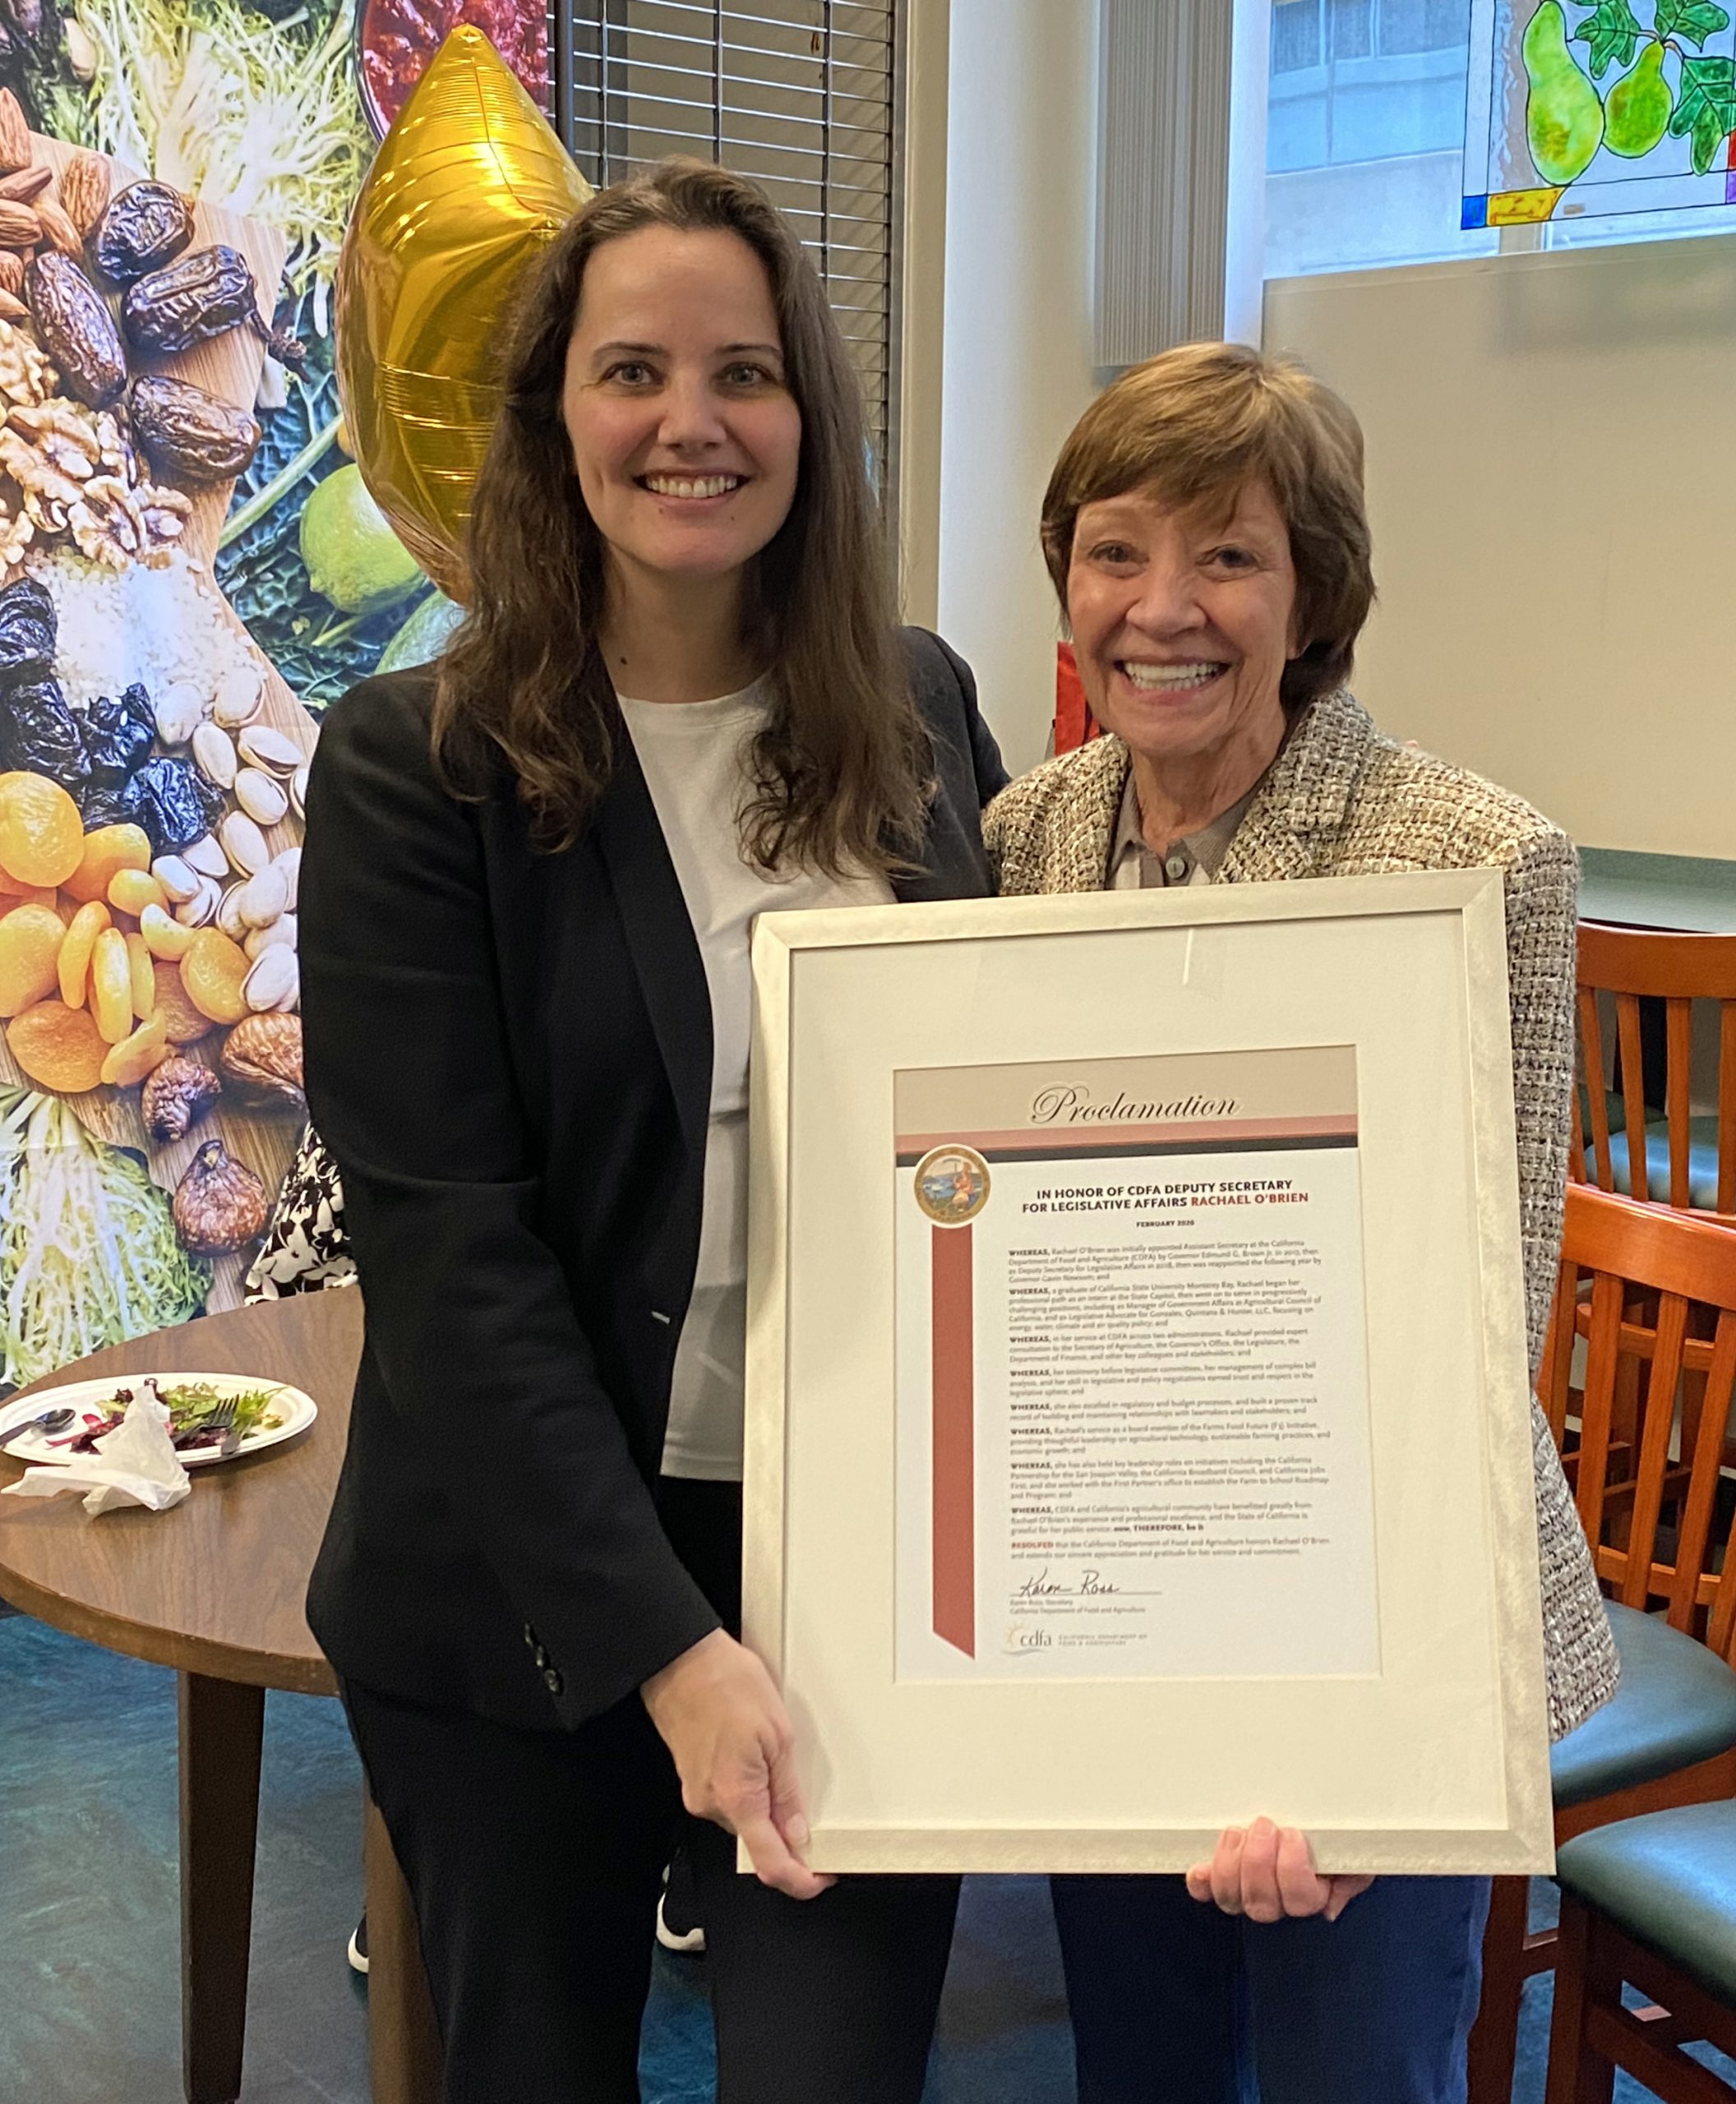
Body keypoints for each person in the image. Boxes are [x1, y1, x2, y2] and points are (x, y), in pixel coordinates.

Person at [294, 159, 1007, 2102]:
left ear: (809, 415)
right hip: (517, 1584)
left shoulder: (919, 704)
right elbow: (450, 1258)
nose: (693, 420)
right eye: (633, 371)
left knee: (833, 2072)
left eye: (743, 372)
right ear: (554, 419)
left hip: (860, 1558)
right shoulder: (414, 768)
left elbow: (1004, 1116)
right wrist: (669, 1648)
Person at [981, 341, 1620, 2104]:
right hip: (1103, 1599)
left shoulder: (1469, 856)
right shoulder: (1028, 833)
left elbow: (1473, 1326)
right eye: (1115, 551)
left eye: (1229, 556)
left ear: (1316, 590)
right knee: (1145, 2065)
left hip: (1377, 1610)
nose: (1161, 608)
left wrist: (1374, 1740)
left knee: (1360, 2072)